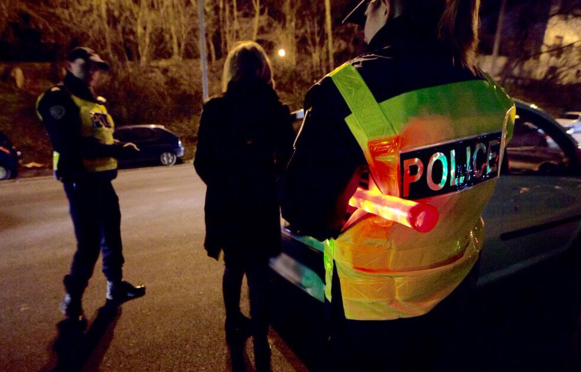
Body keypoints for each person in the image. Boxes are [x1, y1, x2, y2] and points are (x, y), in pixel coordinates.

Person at [281, 0, 515, 370]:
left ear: (384, 7)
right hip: (456, 296)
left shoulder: (346, 91)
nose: (363, 29)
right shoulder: (489, 94)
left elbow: (300, 210)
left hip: (373, 318)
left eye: (365, 17)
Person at [194, 41, 294, 372]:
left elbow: (201, 163)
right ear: (264, 68)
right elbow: (287, 157)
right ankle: (261, 334)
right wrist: (268, 179)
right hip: (262, 201)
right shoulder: (275, 107)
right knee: (259, 272)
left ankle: (232, 323)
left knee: (233, 264)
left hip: (228, 203)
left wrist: (224, 184)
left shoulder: (215, 108)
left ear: (232, 70)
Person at [36, 46, 146, 323]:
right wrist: (115, 150)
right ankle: (72, 300)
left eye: (97, 67)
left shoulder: (94, 100)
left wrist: (119, 145)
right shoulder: (57, 99)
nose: (94, 72)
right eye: (88, 66)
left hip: (103, 182)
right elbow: (68, 143)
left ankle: (115, 287)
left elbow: (102, 137)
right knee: (88, 245)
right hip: (80, 181)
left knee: (112, 237)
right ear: (69, 64)